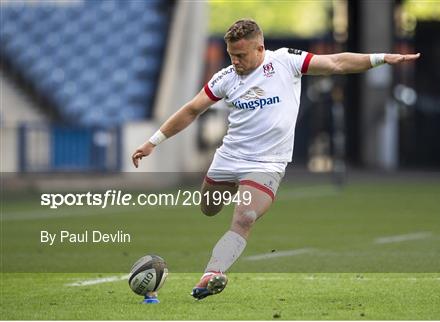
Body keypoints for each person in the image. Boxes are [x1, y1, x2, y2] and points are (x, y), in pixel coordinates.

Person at [132, 19, 420, 301]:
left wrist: (382, 58)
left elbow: (336, 63)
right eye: (232, 55)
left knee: (244, 217)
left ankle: (212, 273)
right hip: (229, 157)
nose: (236, 61)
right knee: (208, 209)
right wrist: (152, 142)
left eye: (242, 55)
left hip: (266, 164)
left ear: (260, 48)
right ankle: (240, 194)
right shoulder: (225, 78)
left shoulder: (284, 62)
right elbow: (192, 110)